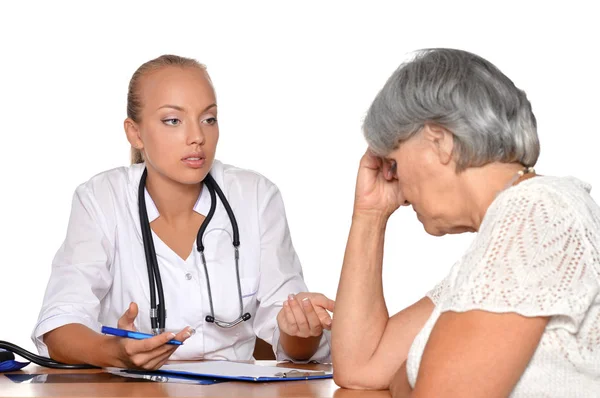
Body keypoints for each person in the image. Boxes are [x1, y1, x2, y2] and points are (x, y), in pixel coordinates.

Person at [32, 54, 333, 370]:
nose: (197, 137)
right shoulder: (100, 198)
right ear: (135, 133)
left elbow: (294, 344)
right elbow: (59, 326)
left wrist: (302, 330)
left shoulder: (256, 196)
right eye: (173, 120)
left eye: (209, 119)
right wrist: (114, 352)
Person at [332, 48, 600, 397]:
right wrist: (370, 215)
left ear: (439, 141)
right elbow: (361, 367)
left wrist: (410, 377)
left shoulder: (535, 212)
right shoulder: (503, 240)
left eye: (395, 162)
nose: (399, 186)